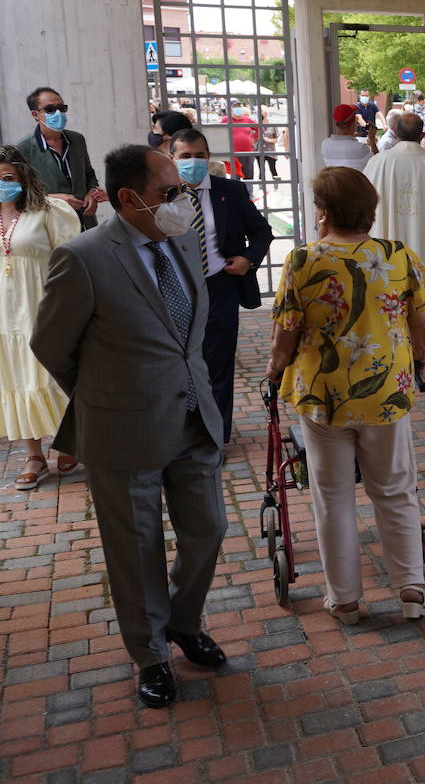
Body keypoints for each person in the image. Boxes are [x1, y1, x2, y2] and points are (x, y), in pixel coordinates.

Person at [31, 145, 227, 709]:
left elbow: (189, 331)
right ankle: (151, 654)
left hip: (193, 419)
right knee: (136, 548)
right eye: (169, 194)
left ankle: (183, 622)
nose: (180, 204)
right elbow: (50, 345)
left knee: (207, 531)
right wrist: (106, 396)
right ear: (127, 198)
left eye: (183, 193)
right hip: (122, 430)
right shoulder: (84, 257)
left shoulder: (184, 241)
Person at [266, 166, 425, 625]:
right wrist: (415, 360)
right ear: (370, 211)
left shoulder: (302, 260)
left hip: (323, 394)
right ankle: (411, 592)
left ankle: (344, 599)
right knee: (396, 489)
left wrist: (274, 367)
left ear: (322, 213)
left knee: (333, 496)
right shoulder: (398, 256)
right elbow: (423, 327)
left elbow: (286, 333)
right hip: (385, 390)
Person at [168, 129, 272, 442]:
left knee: (218, 366)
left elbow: (262, 232)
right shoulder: (161, 196)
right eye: (185, 156)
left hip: (219, 287)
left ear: (209, 157)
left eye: (200, 155)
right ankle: (184, 431)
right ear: (171, 159)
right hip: (177, 293)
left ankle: (216, 436)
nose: (193, 162)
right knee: (179, 364)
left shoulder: (231, 191)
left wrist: (247, 260)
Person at [0, 146, 82, 490]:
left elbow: (73, 259)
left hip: (43, 308)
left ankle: (69, 440)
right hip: (5, 319)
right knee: (15, 381)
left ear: (23, 178)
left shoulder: (49, 211)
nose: (2, 185)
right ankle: (34, 455)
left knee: (55, 377)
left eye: (7, 178)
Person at [364, 113, 425, 357]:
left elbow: (364, 204)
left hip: (388, 241)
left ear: (395, 132)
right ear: (422, 135)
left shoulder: (379, 163)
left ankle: (391, 339)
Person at [15, 87, 107, 230]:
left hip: (86, 223)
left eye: (61, 108)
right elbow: (19, 194)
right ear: (35, 114)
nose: (58, 113)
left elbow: (88, 173)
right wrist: (52, 199)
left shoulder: (77, 139)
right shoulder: (22, 149)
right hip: (51, 228)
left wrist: (92, 192)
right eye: (50, 109)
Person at [321, 104, 374, 172]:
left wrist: (350, 137)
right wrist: (372, 140)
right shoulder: (361, 148)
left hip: (334, 182)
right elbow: (378, 164)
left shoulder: (325, 144)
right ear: (353, 123)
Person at [219, 102, 258, 178]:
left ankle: (248, 190)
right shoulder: (226, 119)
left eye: (239, 106)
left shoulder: (247, 119)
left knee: (249, 176)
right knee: (235, 177)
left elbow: (259, 129)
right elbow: (218, 132)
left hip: (248, 152)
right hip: (233, 154)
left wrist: (253, 138)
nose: (238, 108)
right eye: (235, 106)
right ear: (230, 109)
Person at [256, 110, 279, 179]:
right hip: (259, 150)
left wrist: (268, 140)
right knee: (261, 170)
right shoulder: (256, 125)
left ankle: (276, 185)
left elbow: (277, 139)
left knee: (273, 169)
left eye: (264, 113)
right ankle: (261, 187)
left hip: (270, 150)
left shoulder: (272, 125)